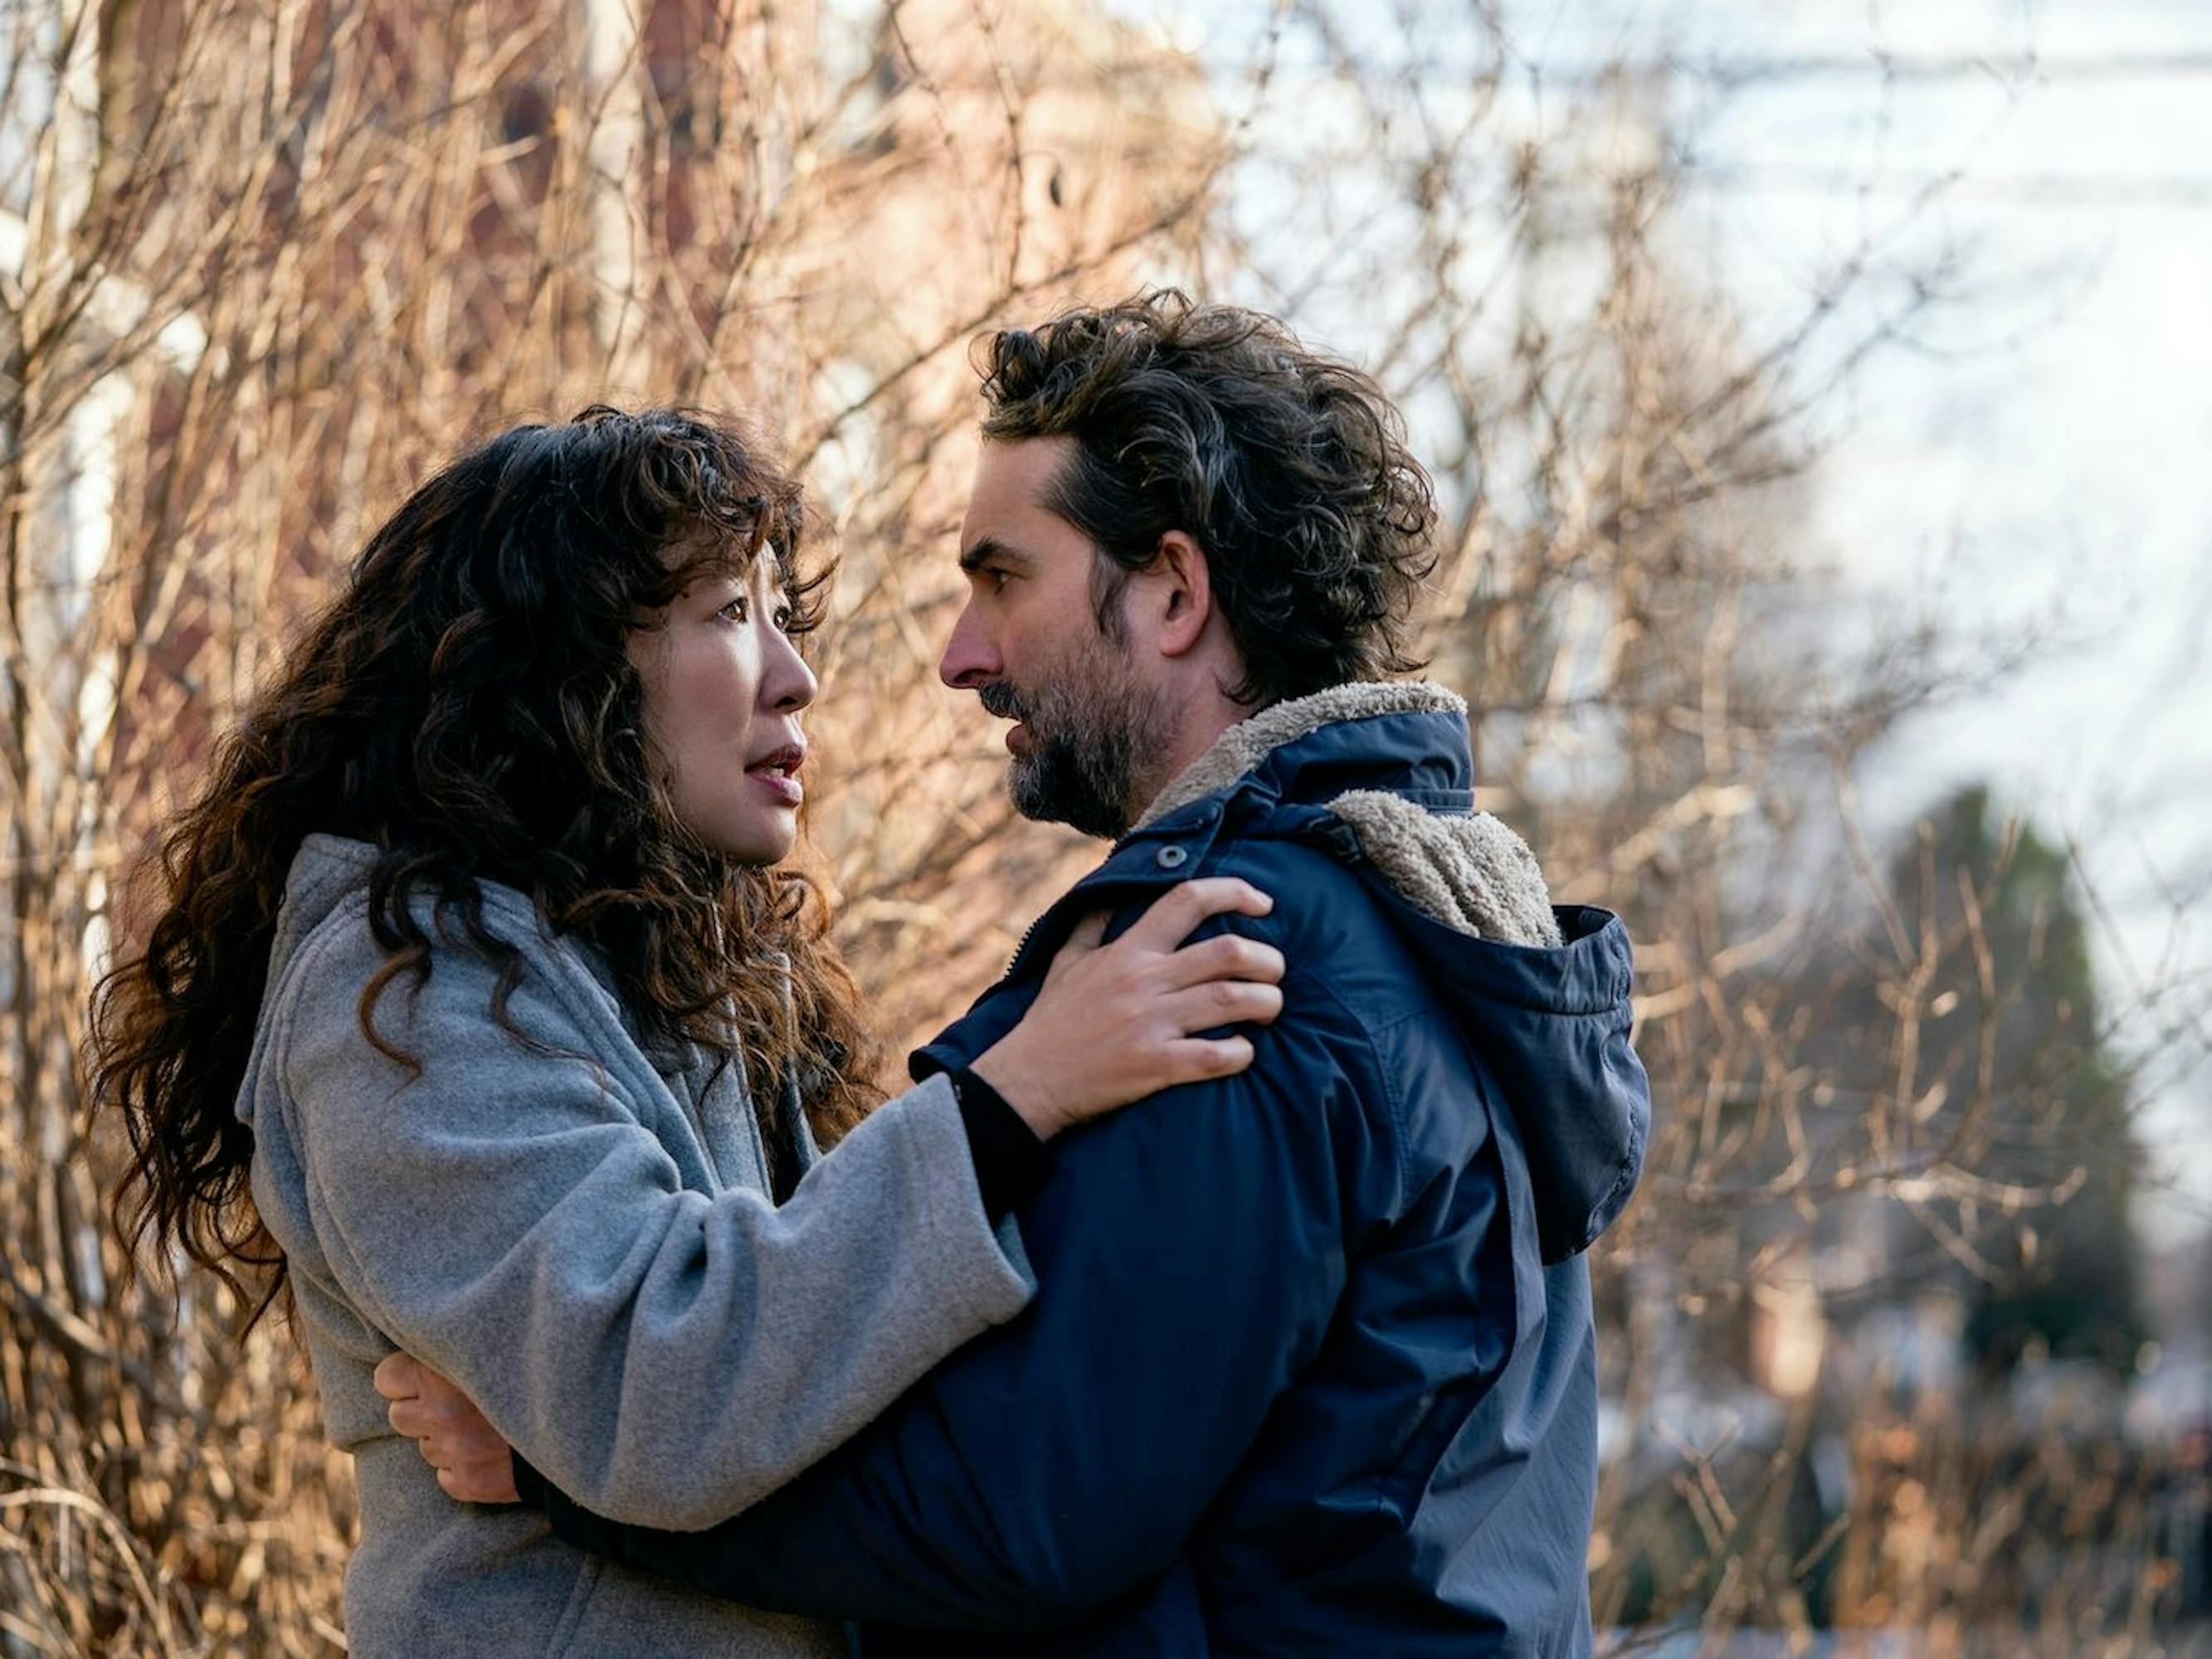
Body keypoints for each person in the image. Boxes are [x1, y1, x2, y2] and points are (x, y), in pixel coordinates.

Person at [386, 293, 1654, 1657]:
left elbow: (1016, 1512)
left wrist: (565, 1474)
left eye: (1003, 578)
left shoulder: (1237, 957)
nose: (960, 656)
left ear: (1171, 591)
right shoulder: (1390, 912)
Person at [86, 406, 1289, 1657]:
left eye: (782, 615)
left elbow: (832, 1375)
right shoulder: (404, 989)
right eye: (728, 614)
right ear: (563, 671)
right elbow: (654, 1390)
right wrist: (1009, 1098)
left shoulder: (670, 962)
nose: (794, 674)